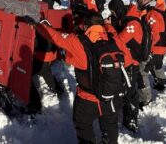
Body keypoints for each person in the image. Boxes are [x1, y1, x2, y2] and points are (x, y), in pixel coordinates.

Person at [36, 13, 133, 144]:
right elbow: (128, 61)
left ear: (86, 26)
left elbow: (55, 37)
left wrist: (38, 25)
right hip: (111, 97)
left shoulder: (77, 41)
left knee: (83, 125)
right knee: (110, 127)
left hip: (87, 100)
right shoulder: (114, 40)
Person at [106, 0, 143, 132]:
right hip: (125, 61)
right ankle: (127, 110)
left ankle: (131, 119)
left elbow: (119, 41)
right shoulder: (124, 18)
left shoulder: (132, 22)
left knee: (130, 90)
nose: (112, 14)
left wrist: (110, 27)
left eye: (113, 12)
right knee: (125, 87)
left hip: (132, 62)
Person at [136, 0, 166, 107]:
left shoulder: (151, 14)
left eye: (138, 0)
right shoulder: (156, 10)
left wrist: (147, 50)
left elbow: (155, 33)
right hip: (161, 48)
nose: (137, 2)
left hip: (154, 48)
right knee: (157, 65)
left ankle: (145, 99)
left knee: (142, 71)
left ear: (144, 0)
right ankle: (161, 82)